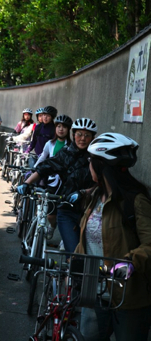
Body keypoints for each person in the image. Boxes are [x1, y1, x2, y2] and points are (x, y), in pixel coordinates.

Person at [76, 132, 151, 341]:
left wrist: (131, 262)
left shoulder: (136, 201)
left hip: (128, 298)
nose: (88, 165)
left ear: (101, 166)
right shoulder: (94, 198)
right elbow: (87, 242)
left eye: (91, 161)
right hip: (93, 293)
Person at [17, 117, 98, 255]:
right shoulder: (65, 153)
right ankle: (68, 274)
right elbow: (45, 167)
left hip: (90, 211)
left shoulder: (96, 157)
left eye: (87, 135)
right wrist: (27, 183)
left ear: (92, 138)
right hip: (67, 209)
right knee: (73, 253)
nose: (82, 138)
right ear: (73, 135)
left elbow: (102, 182)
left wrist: (85, 192)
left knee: (90, 255)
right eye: (79, 134)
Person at [34, 114, 73, 238]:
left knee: (64, 212)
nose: (61, 129)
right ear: (55, 128)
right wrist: (34, 170)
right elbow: (43, 157)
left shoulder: (71, 146)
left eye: (64, 127)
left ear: (69, 130)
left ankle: (64, 238)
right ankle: (52, 226)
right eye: (59, 126)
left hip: (66, 183)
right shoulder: (49, 144)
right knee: (51, 214)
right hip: (52, 181)